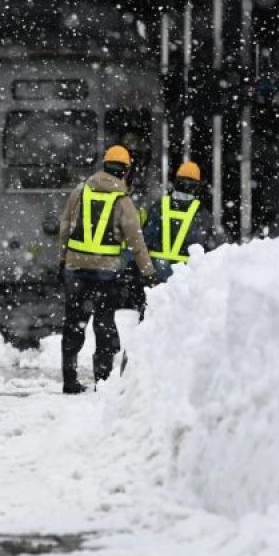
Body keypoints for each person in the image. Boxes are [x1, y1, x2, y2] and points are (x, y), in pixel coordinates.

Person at [57, 145, 158, 394]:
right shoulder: (122, 201)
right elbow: (136, 241)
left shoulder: (79, 192)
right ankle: (102, 381)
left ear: (104, 165)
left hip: (75, 268)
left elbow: (65, 228)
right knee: (104, 323)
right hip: (105, 274)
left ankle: (69, 379)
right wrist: (148, 272)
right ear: (124, 170)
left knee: (74, 323)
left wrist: (63, 258)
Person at [142, 161, 221, 283]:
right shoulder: (203, 215)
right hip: (186, 277)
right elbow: (211, 248)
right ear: (197, 186)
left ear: (175, 183)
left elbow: (145, 239)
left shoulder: (158, 207)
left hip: (157, 272)